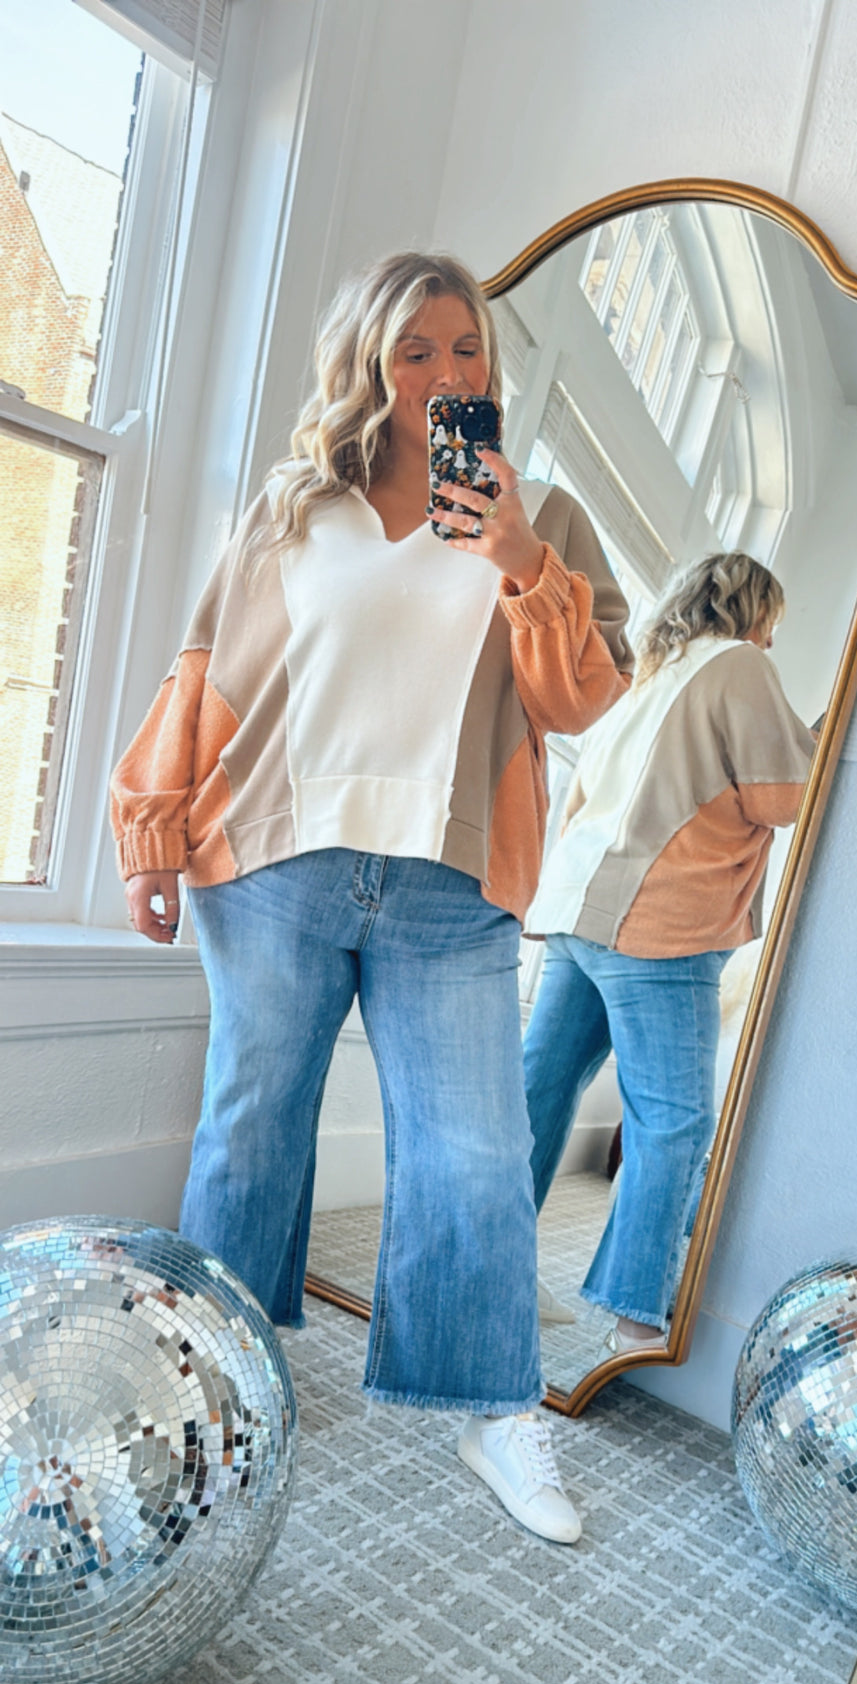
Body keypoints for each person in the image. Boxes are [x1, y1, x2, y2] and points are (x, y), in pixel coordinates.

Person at [111, 252, 632, 1543]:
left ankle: (496, 1409)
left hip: (451, 890)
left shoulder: (545, 519)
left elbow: (583, 696)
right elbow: (202, 671)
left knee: (475, 1151)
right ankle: (214, 1394)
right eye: (416, 351)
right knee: (250, 1131)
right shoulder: (295, 508)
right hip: (276, 867)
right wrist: (150, 829)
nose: (447, 372)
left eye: (466, 349)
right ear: (370, 367)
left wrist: (518, 558)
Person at [522, 553, 815, 1354]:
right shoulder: (739, 666)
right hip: (658, 921)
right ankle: (632, 1317)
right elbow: (781, 798)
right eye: (771, 622)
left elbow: (581, 804)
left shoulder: (648, 681)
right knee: (673, 1121)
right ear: (755, 612)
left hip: (579, 907)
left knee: (538, 1092)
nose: (770, 639)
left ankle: (488, 1267)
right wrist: (816, 737)